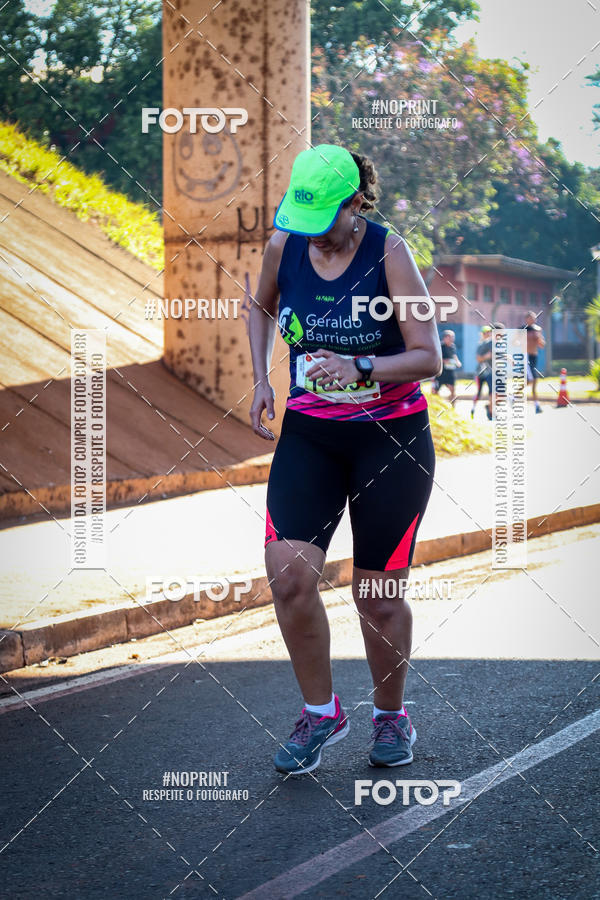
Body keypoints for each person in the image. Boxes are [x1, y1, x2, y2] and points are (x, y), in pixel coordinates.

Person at [248, 144, 442, 774]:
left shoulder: (389, 253)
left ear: (355, 203)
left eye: (323, 219)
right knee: (288, 575)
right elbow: (261, 306)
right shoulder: (285, 245)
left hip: (390, 439)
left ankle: (391, 716)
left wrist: (360, 365)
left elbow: (429, 357)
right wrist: (262, 379)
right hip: (311, 435)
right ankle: (321, 712)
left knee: (377, 594)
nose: (312, 233)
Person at [523, 310, 546, 413]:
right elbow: (514, 342)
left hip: (534, 357)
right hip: (526, 357)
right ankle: (537, 405)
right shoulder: (522, 330)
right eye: (531, 318)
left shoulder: (538, 329)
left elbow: (542, 345)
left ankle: (536, 405)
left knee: (533, 380)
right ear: (526, 319)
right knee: (531, 379)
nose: (534, 319)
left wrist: (539, 339)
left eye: (534, 317)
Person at [432, 329, 461, 401]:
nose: (452, 339)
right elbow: (434, 357)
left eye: (453, 337)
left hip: (450, 372)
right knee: (435, 391)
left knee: (452, 390)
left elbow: (454, 355)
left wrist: (457, 361)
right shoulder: (439, 346)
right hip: (440, 372)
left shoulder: (452, 346)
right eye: (450, 337)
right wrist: (444, 361)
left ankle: (451, 405)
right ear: (445, 338)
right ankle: (437, 404)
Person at [471, 325, 493, 420]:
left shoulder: (493, 343)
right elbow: (478, 359)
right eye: (485, 333)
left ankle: (491, 412)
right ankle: (473, 409)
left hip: (490, 372)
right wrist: (486, 356)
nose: (487, 334)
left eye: (489, 332)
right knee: (479, 393)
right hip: (480, 373)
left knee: (492, 392)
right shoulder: (480, 345)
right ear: (482, 334)